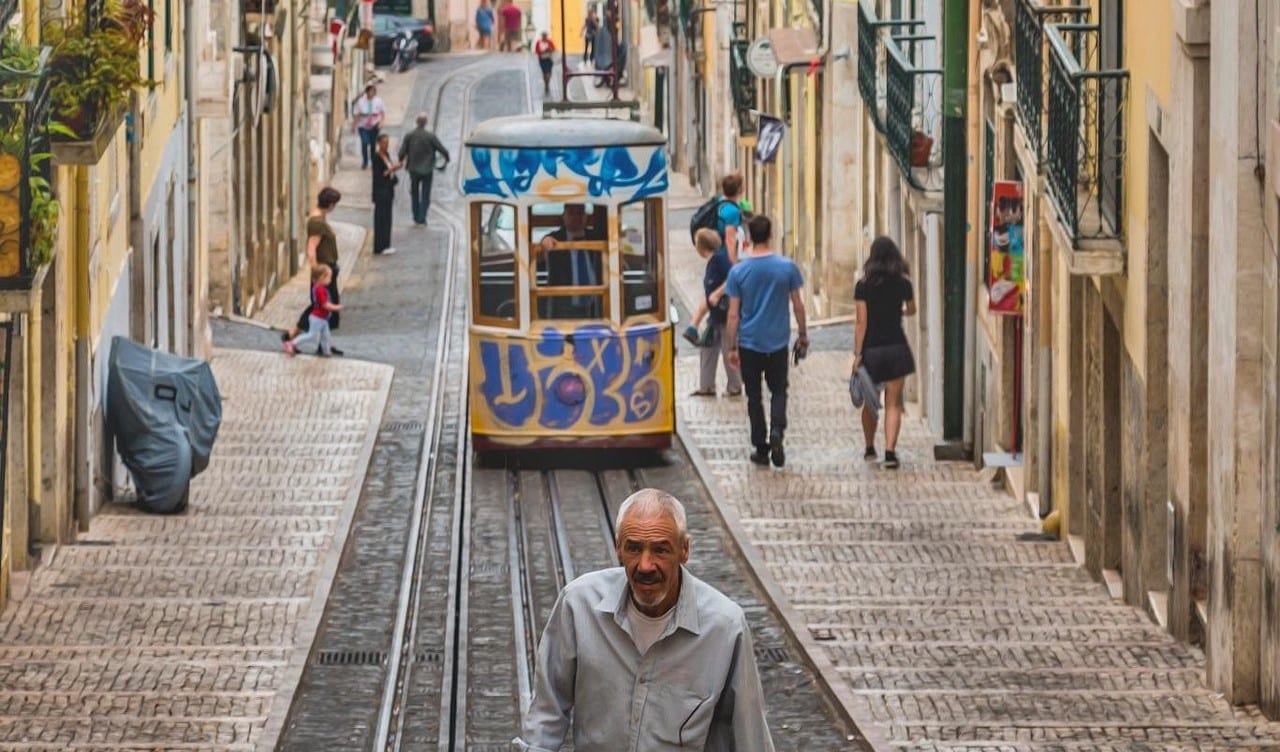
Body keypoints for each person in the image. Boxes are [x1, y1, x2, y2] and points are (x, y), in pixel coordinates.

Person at [514, 488, 775, 752]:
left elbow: (749, 734)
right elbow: (546, 715)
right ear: (618, 549)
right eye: (634, 548)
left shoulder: (725, 628)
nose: (645, 565)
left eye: (660, 550)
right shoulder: (578, 605)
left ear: (684, 550)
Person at [726, 214, 807, 468]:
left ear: (749, 237)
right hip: (778, 342)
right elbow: (798, 304)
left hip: (749, 343)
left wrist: (731, 346)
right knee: (779, 390)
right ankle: (777, 431)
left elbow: (733, 314)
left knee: (754, 396)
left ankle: (761, 446)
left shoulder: (738, 272)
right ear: (770, 235)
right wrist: (803, 334)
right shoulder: (787, 267)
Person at [852, 236, 917, 469]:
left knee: (870, 402)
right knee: (893, 403)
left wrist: (857, 355)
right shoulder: (903, 284)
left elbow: (861, 322)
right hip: (897, 348)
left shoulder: (863, 286)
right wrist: (899, 311)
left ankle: (870, 447)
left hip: (872, 351)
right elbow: (912, 309)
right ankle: (890, 452)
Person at [281, 187, 345, 356]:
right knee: (322, 305)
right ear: (330, 204)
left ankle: (323, 343)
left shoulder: (320, 219)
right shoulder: (317, 222)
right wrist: (319, 273)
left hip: (327, 271)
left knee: (323, 306)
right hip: (324, 272)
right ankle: (293, 336)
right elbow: (311, 249)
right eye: (334, 204)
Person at [683, 173, 746, 345]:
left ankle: (695, 327)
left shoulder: (720, 202)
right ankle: (701, 327)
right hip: (724, 255)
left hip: (715, 254)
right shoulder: (732, 211)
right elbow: (730, 239)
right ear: (739, 189)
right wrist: (734, 264)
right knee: (720, 292)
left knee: (715, 293)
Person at [689, 228, 742, 399]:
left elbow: (733, 277)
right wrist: (695, 321)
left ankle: (735, 386)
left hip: (727, 314)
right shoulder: (713, 262)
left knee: (728, 349)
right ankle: (706, 386)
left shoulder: (719, 260)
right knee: (707, 348)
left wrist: (717, 294)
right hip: (715, 316)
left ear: (701, 246)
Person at [539, 203, 605, 318]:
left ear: (585, 217)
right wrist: (544, 241)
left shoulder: (596, 237)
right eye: (571, 213)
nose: (575, 217)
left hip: (596, 305)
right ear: (563, 216)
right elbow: (540, 255)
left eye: (579, 213)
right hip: (564, 306)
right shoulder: (554, 238)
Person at [397, 113, 451, 226]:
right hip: (427, 170)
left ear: (416, 122)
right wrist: (447, 158)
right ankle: (422, 217)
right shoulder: (430, 136)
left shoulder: (409, 135)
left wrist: (401, 159)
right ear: (425, 123)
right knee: (425, 194)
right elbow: (442, 149)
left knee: (414, 193)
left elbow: (402, 152)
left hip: (413, 169)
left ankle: (416, 216)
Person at [283, 264, 342, 357]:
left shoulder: (319, 288)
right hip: (318, 318)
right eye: (329, 278)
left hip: (322, 318)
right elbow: (324, 305)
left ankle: (326, 351)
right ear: (322, 278)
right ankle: (291, 343)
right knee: (311, 335)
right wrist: (336, 307)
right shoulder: (320, 290)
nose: (330, 280)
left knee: (326, 335)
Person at [372, 133, 402, 255]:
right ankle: (379, 246)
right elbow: (379, 176)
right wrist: (392, 169)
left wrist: (393, 171)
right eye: (384, 142)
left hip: (388, 191)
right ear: (379, 143)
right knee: (381, 219)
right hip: (381, 192)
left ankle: (386, 244)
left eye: (387, 142)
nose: (386, 145)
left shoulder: (387, 155)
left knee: (387, 219)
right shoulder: (377, 158)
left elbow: (388, 173)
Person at [353, 84, 385, 170]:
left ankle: (373, 161)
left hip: (374, 125)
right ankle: (365, 161)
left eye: (373, 91)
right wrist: (354, 125)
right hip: (363, 125)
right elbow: (356, 114)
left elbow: (382, 112)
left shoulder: (378, 101)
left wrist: (382, 122)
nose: (371, 93)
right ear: (367, 92)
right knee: (364, 143)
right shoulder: (360, 101)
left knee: (373, 144)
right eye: (370, 91)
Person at [533, 31, 556, 95]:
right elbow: (537, 51)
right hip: (542, 60)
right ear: (542, 36)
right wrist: (544, 51)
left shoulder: (549, 42)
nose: (544, 37)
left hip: (549, 59)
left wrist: (550, 49)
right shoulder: (538, 42)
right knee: (544, 73)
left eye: (545, 36)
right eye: (543, 36)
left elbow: (554, 49)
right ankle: (546, 84)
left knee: (549, 73)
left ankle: (547, 84)